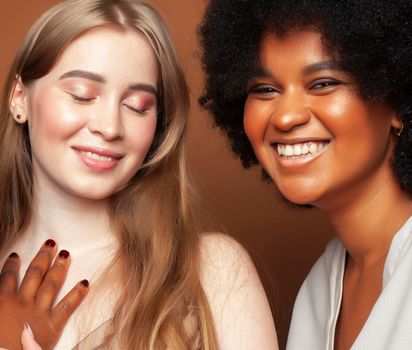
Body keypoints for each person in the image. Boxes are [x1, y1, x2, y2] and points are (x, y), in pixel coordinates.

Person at [0, 0, 278, 349]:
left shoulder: (211, 271)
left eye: (137, 106)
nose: (110, 127)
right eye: (82, 96)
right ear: (20, 97)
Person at [199, 0, 412, 349]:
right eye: (265, 89)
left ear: (397, 103)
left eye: (323, 83)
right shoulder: (321, 288)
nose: (285, 117)